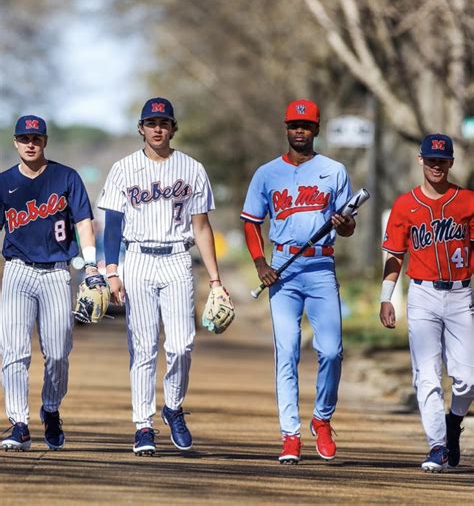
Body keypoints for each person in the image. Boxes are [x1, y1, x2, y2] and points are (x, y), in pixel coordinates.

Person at [98, 97, 228, 456]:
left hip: (176, 259)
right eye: (151, 122)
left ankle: (172, 407)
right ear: (141, 128)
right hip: (137, 258)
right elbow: (113, 225)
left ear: (173, 128)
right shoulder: (123, 168)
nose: (158, 128)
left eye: (164, 122)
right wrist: (112, 272)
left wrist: (216, 281)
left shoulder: (192, 168)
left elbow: (202, 227)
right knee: (143, 348)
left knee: (182, 344)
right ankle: (143, 424)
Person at [241, 99, 356, 464]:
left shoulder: (334, 170)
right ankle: (290, 434)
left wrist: (344, 224)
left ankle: (322, 418)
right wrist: (261, 264)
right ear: (286, 128)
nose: (299, 131)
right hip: (283, 269)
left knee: (332, 351)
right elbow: (251, 221)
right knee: (287, 352)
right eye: (293, 125)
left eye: (306, 126)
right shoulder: (266, 173)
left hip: (321, 267)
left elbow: (350, 224)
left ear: (316, 130)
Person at [0, 115, 101, 451]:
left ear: (45, 142)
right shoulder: (4, 183)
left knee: (58, 352)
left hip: (58, 271)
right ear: (15, 142)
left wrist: (90, 266)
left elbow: (84, 221)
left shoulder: (66, 177)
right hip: (17, 270)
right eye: (25, 138)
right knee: (13, 351)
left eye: (37, 138)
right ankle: (18, 423)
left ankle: (52, 408)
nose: (31, 143)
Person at [379, 133, 473, 472]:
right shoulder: (406, 204)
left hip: (462, 294)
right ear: (421, 160)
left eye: (442, 159)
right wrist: (385, 298)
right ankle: (437, 447)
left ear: (450, 162)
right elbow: (394, 255)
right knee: (427, 376)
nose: (436, 164)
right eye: (430, 159)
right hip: (422, 294)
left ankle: (453, 422)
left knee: (468, 379)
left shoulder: (468, 202)